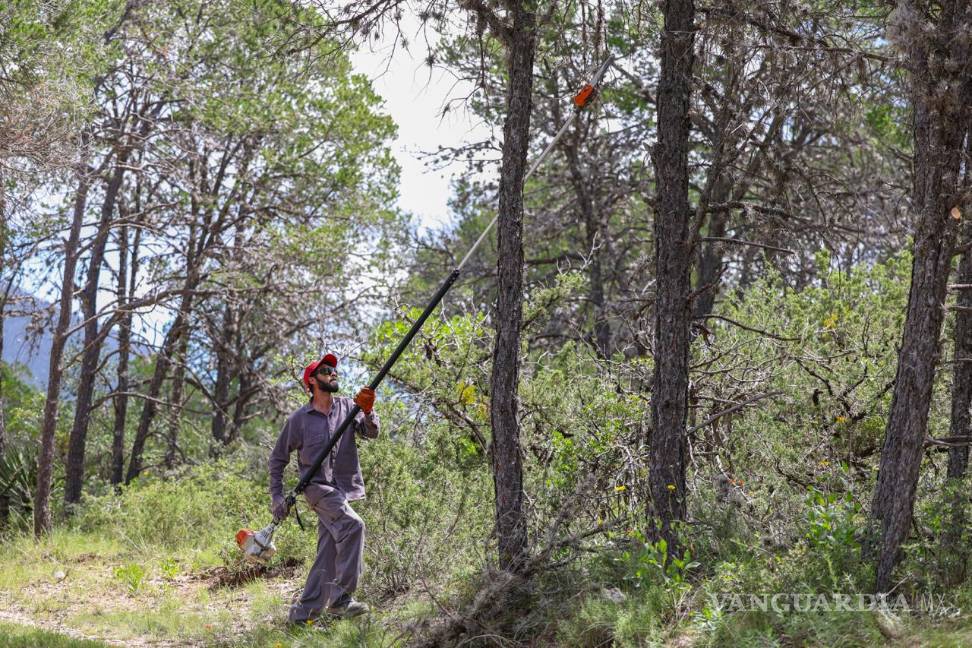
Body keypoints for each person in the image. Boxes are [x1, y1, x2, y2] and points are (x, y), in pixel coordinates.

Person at [268, 352, 379, 623]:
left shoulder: (347, 407)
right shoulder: (299, 420)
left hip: (342, 490)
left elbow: (371, 433)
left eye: (334, 370)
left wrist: (367, 411)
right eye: (326, 370)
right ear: (312, 381)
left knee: (327, 555)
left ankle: (302, 616)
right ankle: (342, 600)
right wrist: (277, 496)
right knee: (354, 526)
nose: (333, 373)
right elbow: (277, 459)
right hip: (317, 489)